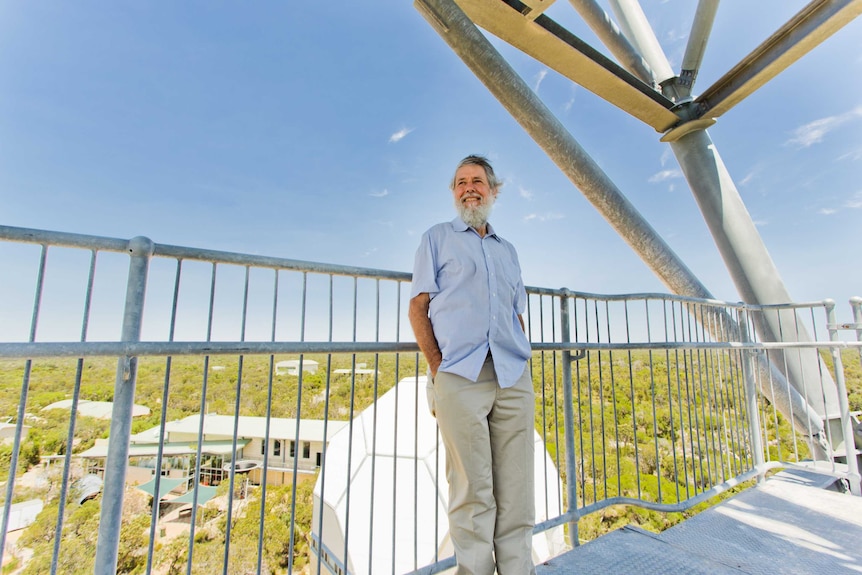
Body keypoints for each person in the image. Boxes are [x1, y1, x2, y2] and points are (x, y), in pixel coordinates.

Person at [408, 155, 536, 575]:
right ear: (453, 192)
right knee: (472, 489)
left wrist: (520, 353)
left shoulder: (509, 250)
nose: (469, 188)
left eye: (477, 181)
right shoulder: (436, 239)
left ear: (493, 191)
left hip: (512, 375)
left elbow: (516, 313)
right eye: (461, 182)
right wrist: (438, 367)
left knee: (517, 488)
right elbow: (418, 308)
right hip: (460, 376)